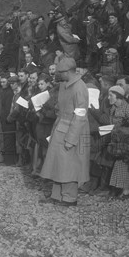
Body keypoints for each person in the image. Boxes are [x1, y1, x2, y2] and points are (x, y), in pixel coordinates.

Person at [39, 57, 90, 206]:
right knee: (58, 163)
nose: (58, 75)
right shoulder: (64, 84)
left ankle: (69, 197)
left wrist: (71, 139)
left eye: (61, 72)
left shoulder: (80, 88)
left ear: (68, 72)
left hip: (73, 130)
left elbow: (80, 116)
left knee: (70, 165)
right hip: (60, 126)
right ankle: (56, 195)